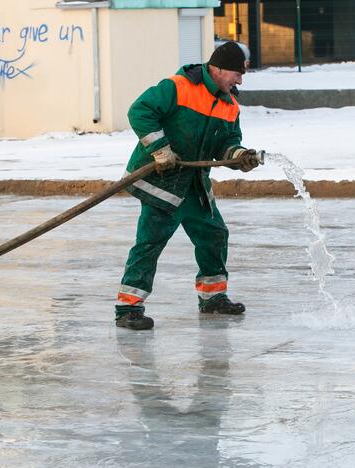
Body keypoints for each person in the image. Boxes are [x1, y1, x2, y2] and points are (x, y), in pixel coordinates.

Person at [115, 41, 262, 330]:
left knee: (214, 235)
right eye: (236, 74)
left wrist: (239, 156)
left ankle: (213, 298)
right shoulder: (178, 87)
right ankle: (127, 308)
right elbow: (140, 111)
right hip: (163, 183)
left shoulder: (229, 104)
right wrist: (160, 148)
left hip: (195, 185)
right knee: (150, 242)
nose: (239, 81)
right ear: (217, 69)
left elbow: (227, 143)